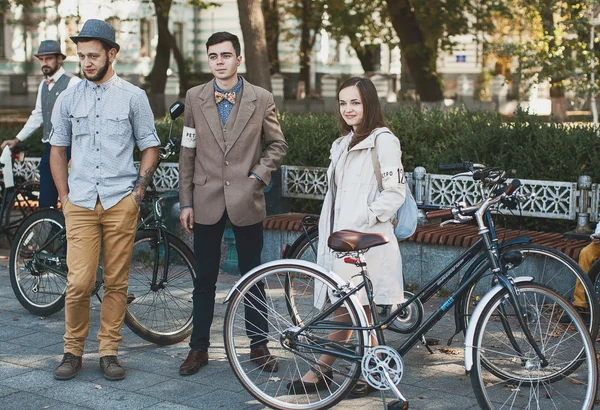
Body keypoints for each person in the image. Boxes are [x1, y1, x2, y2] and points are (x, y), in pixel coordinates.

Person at [49, 19, 160, 381]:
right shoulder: (68, 97)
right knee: (79, 282)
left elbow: (150, 146)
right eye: (81, 56)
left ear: (112, 54)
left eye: (93, 55)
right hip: (80, 202)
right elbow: (57, 149)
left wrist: (137, 192)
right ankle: (72, 350)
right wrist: (64, 197)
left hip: (119, 201)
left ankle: (109, 351)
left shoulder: (133, 96)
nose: (86, 62)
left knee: (116, 282)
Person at [178, 31, 288, 376]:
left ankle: (258, 345)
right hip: (205, 198)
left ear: (238, 59)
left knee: (252, 275)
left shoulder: (261, 97)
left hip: (246, 198)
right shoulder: (195, 98)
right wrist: (186, 202)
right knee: (205, 278)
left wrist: (258, 176)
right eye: (213, 56)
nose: (219, 62)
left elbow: (277, 145)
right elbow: (188, 151)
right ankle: (198, 349)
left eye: (225, 55)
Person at [287, 77, 406, 397]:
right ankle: (375, 369)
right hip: (339, 240)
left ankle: (322, 371)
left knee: (350, 307)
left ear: (369, 104)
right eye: (343, 103)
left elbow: (395, 192)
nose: (348, 109)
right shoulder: (341, 144)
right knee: (356, 309)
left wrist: (363, 219)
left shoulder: (384, 140)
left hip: (366, 240)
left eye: (355, 102)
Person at [1, 40, 80, 208]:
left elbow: (82, 119)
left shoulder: (73, 83)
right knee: (46, 197)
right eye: (41, 59)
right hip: (50, 146)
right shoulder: (43, 86)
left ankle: (72, 231)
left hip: (72, 147)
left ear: (60, 59)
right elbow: (37, 115)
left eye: (49, 58)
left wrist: (76, 153)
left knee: (73, 197)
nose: (44, 63)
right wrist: (16, 140)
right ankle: (47, 228)